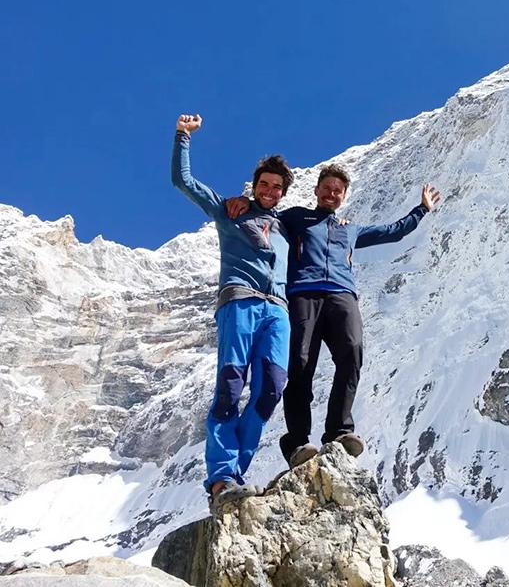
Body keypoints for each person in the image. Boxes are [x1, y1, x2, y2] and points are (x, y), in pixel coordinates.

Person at [226, 163, 440, 467]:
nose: (331, 193)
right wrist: (246, 202)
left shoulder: (349, 228)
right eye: (326, 188)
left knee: (352, 355)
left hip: (342, 295)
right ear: (316, 190)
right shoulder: (296, 217)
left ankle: (339, 432)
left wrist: (421, 209)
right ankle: (297, 441)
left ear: (343, 196)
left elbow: (392, 232)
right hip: (303, 294)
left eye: (337, 190)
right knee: (300, 364)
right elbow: (267, 214)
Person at [171, 114, 294, 507]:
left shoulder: (288, 227)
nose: (270, 190)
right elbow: (183, 182)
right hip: (239, 301)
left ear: (283, 192)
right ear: (254, 186)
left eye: (277, 187)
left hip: (278, 311)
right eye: (264, 184)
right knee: (230, 386)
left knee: (270, 389)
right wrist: (182, 137)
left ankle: (235, 473)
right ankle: (222, 480)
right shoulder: (231, 211)